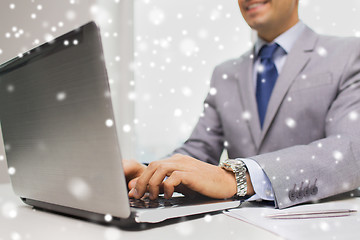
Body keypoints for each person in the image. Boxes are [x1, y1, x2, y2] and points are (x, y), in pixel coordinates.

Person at [124, 0, 360, 209]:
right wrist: (151, 173)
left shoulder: (349, 54)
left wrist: (237, 178)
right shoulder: (225, 74)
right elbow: (199, 151)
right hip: (238, 229)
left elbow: (351, 149)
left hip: (321, 225)